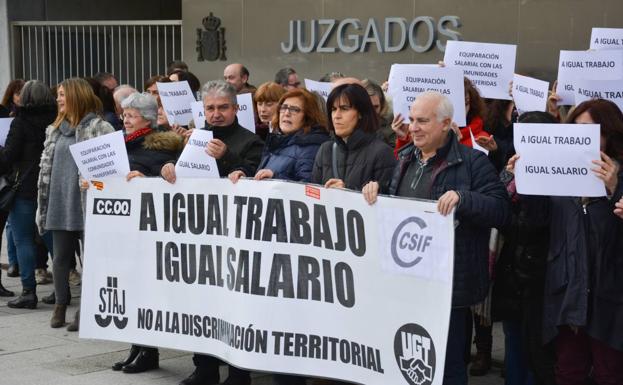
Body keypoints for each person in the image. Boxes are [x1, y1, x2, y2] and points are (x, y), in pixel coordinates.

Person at [362, 91, 510, 385]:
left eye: (423, 121)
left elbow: (501, 211)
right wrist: (376, 194)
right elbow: (394, 210)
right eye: (413, 119)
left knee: (447, 364)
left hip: (449, 288)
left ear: (445, 124)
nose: (414, 127)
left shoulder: (472, 163)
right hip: (406, 282)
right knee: (410, 360)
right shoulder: (403, 159)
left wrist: (464, 199)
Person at [161, 80, 264, 385]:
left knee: (233, 306)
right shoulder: (193, 138)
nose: (216, 114)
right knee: (200, 304)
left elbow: (254, 175)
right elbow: (179, 169)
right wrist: (168, 166)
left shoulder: (250, 141)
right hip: (199, 234)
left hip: (235, 236)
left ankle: (237, 373)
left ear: (235, 108)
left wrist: (227, 157)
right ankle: (204, 369)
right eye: (210, 108)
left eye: (223, 108)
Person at [538, 99, 623, 385]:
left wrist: (615, 189)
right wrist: (518, 180)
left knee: (609, 371)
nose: (579, 136)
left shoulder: (619, 176)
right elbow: (535, 220)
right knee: (568, 370)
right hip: (568, 292)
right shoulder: (559, 172)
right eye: (575, 128)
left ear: (608, 135)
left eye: (588, 129)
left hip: (610, 296)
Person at [105, 92, 183, 374]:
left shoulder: (159, 148)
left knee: (145, 291)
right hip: (124, 227)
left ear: (147, 120)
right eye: (124, 115)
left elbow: (166, 183)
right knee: (131, 289)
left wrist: (145, 180)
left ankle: (149, 351)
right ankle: (136, 347)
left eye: (131, 115)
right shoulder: (123, 144)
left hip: (148, 230)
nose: (125, 120)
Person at [36, 78, 115, 330]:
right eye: (57, 95)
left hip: (88, 204)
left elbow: (112, 170)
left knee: (90, 259)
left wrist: (96, 184)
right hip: (59, 203)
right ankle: (60, 305)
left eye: (62, 95)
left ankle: (85, 310)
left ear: (76, 96)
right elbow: (45, 169)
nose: (58, 99)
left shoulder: (100, 128)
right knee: (59, 259)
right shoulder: (54, 129)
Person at [493, 111, 558, 385]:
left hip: (542, 276)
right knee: (514, 341)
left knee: (537, 347)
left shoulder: (562, 178)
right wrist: (508, 176)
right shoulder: (512, 175)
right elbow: (498, 214)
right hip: (513, 273)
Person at [0, 80, 56, 308]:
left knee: (23, 239)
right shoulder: (57, 119)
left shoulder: (21, 122)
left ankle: (28, 291)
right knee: (52, 237)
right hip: (50, 188)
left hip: (23, 189)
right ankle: (61, 291)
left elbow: (6, 160)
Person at [311, 83, 396, 192]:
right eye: (333, 109)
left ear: (361, 113)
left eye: (344, 109)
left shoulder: (382, 153)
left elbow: (388, 203)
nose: (337, 115)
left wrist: (347, 192)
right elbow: (314, 197)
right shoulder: (325, 150)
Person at [362, 78, 394, 147]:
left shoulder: (391, 128)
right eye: (367, 106)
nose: (371, 112)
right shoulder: (346, 127)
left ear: (382, 106)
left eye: (375, 107)